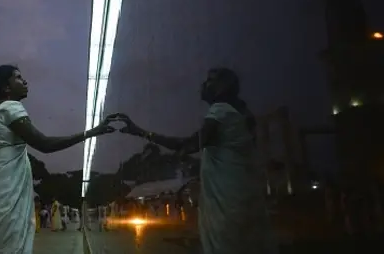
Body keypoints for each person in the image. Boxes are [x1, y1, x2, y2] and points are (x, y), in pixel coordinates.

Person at [0, 65, 115, 254]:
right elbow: (44, 144)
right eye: (18, 78)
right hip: (3, 196)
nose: (25, 81)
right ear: (6, 88)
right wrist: (91, 132)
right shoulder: (10, 108)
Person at [113, 68, 277, 254]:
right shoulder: (240, 114)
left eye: (210, 81)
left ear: (222, 87)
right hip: (243, 198)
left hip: (228, 204)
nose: (203, 85)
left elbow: (189, 144)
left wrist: (141, 132)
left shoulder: (221, 110)